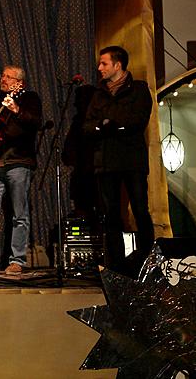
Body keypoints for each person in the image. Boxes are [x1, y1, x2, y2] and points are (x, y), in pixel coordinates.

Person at [83, 45, 154, 276]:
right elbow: (87, 126)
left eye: (104, 63)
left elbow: (136, 121)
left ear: (117, 64)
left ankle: (148, 261)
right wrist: (104, 125)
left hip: (132, 159)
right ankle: (116, 265)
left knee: (140, 209)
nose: (99, 68)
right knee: (110, 214)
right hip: (105, 161)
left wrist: (110, 124)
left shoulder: (139, 89)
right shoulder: (98, 94)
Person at [0, 65, 42, 275]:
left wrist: (17, 110)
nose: (3, 79)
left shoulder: (29, 98)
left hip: (18, 162)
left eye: (8, 77)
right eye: (2, 75)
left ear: (19, 83)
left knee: (19, 214)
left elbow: (35, 122)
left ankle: (17, 260)